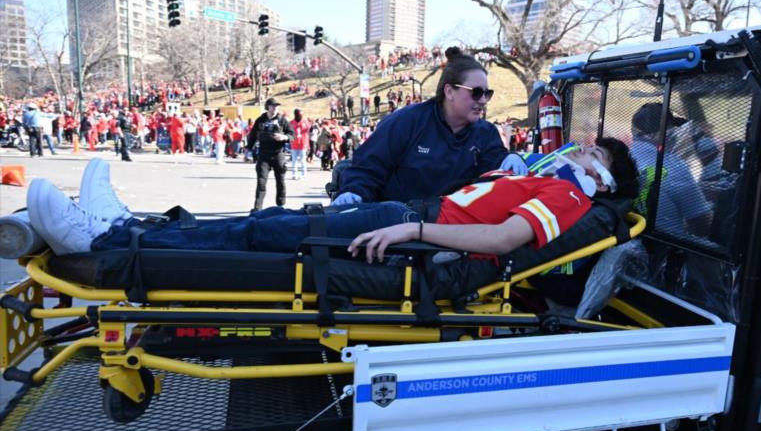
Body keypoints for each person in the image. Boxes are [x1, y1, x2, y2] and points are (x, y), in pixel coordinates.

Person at [27, 138, 637, 265]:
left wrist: (413, 233)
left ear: (603, 181)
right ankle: (123, 227)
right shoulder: (546, 177)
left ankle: (104, 241)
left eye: (595, 156)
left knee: (263, 234)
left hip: (412, 227)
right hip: (409, 214)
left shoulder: (570, 196)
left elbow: (504, 240)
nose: (581, 152)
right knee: (267, 222)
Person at [333, 47, 526, 207]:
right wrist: (353, 192)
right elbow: (368, 166)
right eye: (476, 93)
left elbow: (493, 173)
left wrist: (510, 158)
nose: (483, 100)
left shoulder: (486, 133)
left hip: (453, 231)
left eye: (487, 93)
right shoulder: (407, 121)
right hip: (396, 224)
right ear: (449, 91)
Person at [627, 103, 711, 234]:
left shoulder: (625, 157)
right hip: (668, 247)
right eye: (673, 129)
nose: (676, 134)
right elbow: (702, 222)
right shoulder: (673, 166)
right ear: (661, 134)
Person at [247, 98, 294, 212]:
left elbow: (292, 134)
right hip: (264, 155)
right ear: (267, 107)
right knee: (261, 182)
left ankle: (280, 206)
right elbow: (252, 135)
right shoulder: (260, 120)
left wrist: (285, 137)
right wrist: (248, 149)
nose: (275, 108)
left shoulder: (282, 120)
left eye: (277, 106)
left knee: (280, 181)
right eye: (273, 106)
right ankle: (257, 208)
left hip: (278, 154)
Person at [289, 109, 309, 180]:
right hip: (294, 145)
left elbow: (309, 131)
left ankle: (304, 174)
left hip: (303, 145)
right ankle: (294, 174)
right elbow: (288, 133)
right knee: (294, 161)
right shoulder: (291, 123)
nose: (300, 116)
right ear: (295, 114)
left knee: (303, 160)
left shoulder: (305, 122)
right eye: (299, 114)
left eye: (301, 114)